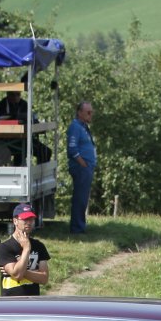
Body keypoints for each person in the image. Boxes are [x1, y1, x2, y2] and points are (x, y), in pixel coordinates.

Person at [67, 101, 96, 235]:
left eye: (91, 112)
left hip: (86, 168)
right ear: (79, 112)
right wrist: (83, 163)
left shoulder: (83, 127)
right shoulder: (75, 127)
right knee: (80, 198)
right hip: (81, 168)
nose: (91, 115)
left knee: (83, 198)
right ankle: (77, 229)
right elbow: (72, 149)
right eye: (88, 112)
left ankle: (80, 226)